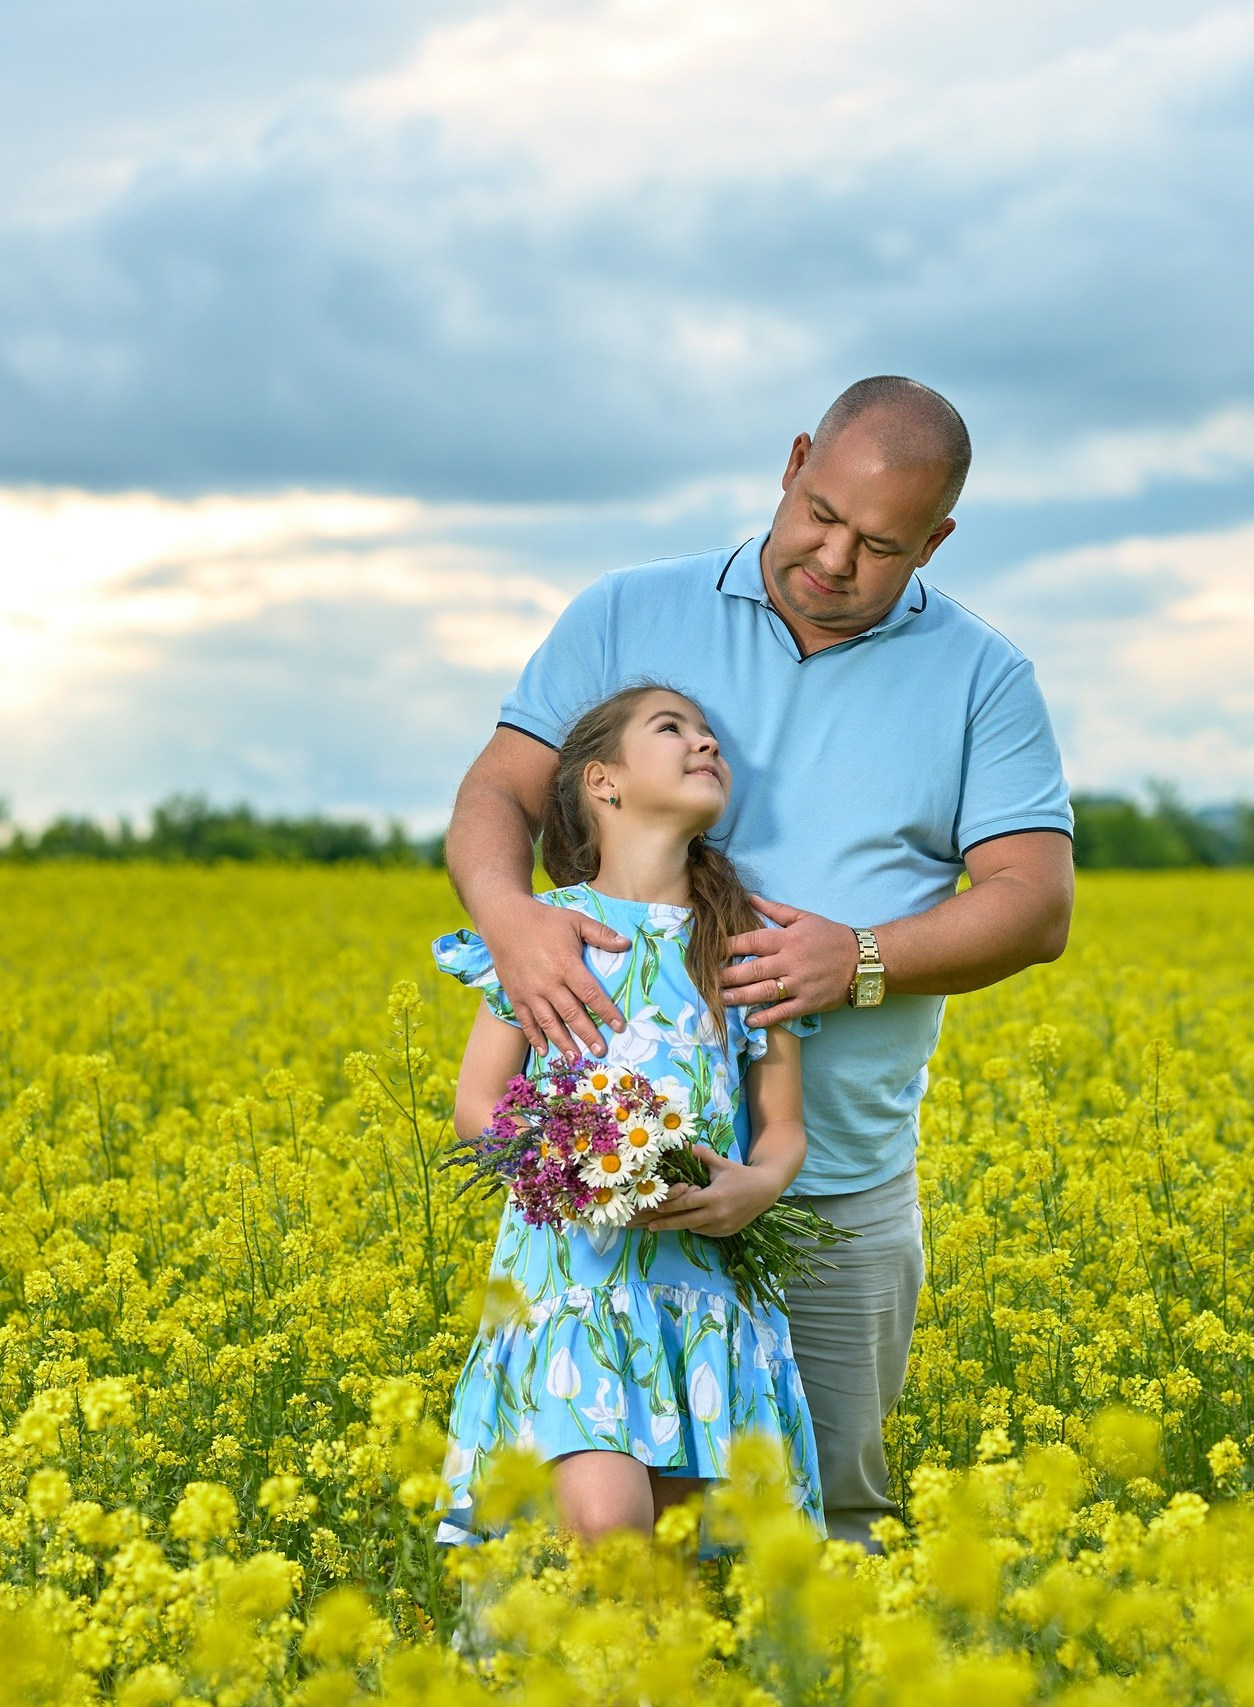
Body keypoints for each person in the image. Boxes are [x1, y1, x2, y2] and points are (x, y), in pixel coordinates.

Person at [444, 376, 1074, 1544]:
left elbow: (1034, 906)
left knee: (819, 1532)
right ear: (792, 464)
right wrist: (508, 917)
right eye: (821, 514)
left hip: (831, 1192)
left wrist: (861, 959)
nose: (834, 558)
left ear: (935, 541)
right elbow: (498, 792)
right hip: (604, 1235)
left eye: (879, 545)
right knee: (580, 1538)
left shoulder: (983, 678)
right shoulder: (626, 611)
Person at [433, 683, 823, 1545]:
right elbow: (477, 1105)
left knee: (674, 1567)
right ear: (602, 781)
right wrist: (575, 1169)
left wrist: (755, 1188)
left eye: (712, 733)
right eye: (672, 728)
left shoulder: (744, 941)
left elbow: (784, 1125)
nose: (705, 743)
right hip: (573, 1279)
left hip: (704, 1284)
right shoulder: (544, 928)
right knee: (611, 1527)